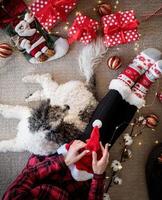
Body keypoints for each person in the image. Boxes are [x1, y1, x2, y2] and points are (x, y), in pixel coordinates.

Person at [2, 48, 162, 199]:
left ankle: (130, 76)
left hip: (53, 162)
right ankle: (141, 87)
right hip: (81, 183)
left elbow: (30, 175)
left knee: (95, 135)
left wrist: (64, 161)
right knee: (105, 144)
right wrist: (99, 175)